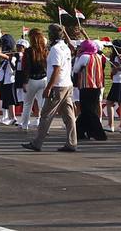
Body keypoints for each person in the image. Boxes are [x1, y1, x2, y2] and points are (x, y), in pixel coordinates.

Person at [22, 23, 76, 152]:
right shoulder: (65, 47)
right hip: (67, 84)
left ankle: (37, 143)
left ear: (52, 34)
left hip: (57, 86)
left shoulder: (56, 49)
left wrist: (49, 87)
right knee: (69, 117)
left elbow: (56, 69)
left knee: (46, 115)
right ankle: (71, 143)